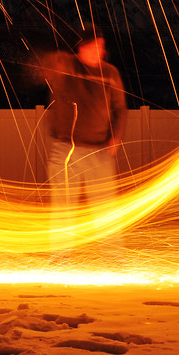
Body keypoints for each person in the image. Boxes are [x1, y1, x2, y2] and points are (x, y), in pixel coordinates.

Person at [37, 27, 127, 226]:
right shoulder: (66, 66)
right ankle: (61, 256)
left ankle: (113, 256)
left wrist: (115, 137)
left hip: (99, 150)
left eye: (101, 47)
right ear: (82, 47)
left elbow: (120, 108)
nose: (100, 51)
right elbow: (46, 66)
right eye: (95, 46)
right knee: (64, 208)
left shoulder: (110, 73)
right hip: (65, 150)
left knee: (105, 208)